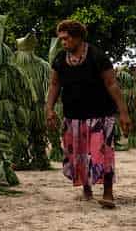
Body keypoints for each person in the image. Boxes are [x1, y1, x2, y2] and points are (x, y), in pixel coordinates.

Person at [46, 19, 131, 209]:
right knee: (79, 154)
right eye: (61, 39)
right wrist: (49, 109)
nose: (63, 42)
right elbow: (54, 85)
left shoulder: (97, 56)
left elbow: (112, 84)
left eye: (66, 38)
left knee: (103, 154)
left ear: (78, 37)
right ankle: (87, 188)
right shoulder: (60, 59)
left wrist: (123, 113)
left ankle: (108, 193)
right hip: (73, 116)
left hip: (100, 115)